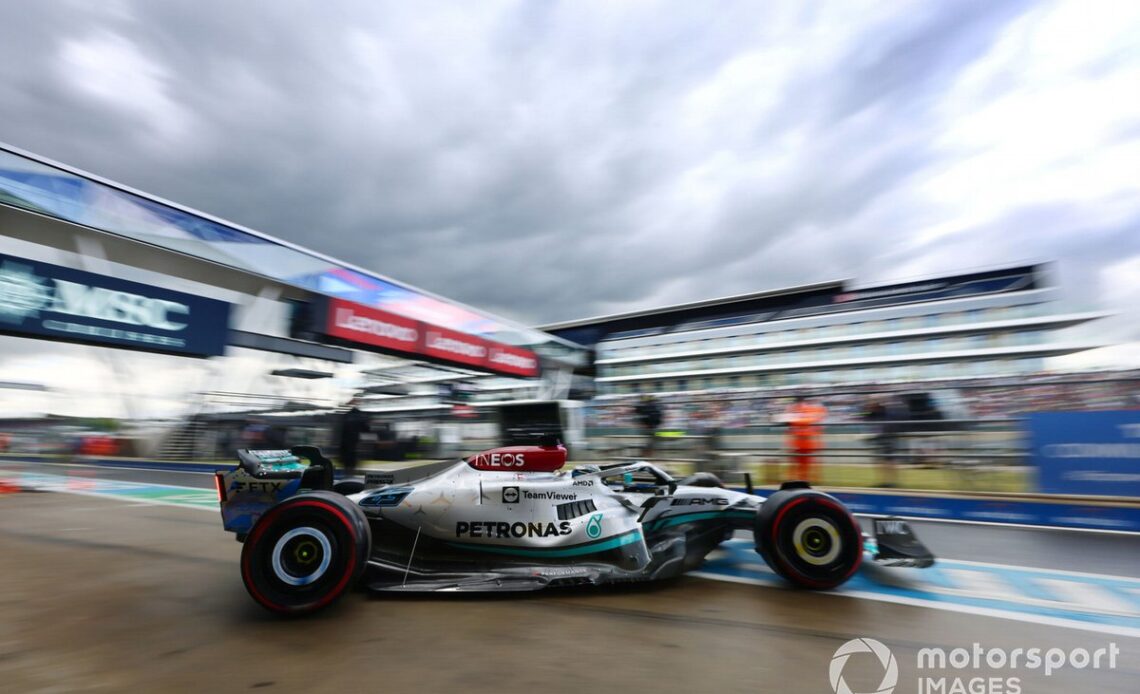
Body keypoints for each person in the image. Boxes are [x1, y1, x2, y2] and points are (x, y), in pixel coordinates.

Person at [783, 395, 827, 483]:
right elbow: (818, 424)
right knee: (803, 465)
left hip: (799, 442)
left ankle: (797, 481)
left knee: (797, 465)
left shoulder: (793, 411)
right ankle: (803, 481)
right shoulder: (797, 410)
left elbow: (789, 428)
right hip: (803, 442)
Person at [863, 395, 904, 487]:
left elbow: (889, 424)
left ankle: (892, 482)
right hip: (881, 437)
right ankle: (884, 481)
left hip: (888, 437)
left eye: (872, 402)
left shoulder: (884, 411)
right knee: (881, 461)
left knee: (889, 461)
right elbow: (864, 417)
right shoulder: (873, 412)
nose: (870, 404)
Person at [337, 399, 371, 476]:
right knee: (352, 461)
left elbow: (342, 431)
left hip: (346, 443)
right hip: (354, 442)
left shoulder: (347, 416)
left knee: (348, 463)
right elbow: (366, 429)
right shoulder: (360, 416)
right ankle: (351, 474)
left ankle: (348, 474)